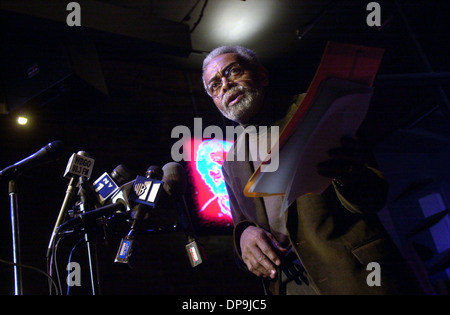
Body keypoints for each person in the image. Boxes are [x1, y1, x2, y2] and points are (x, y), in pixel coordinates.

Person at [201, 45, 423, 295]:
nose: (225, 85)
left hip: (355, 277)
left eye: (233, 71)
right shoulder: (230, 163)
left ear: (262, 75)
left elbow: (374, 195)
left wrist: (348, 174)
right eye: (214, 86)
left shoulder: (316, 108)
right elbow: (242, 227)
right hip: (290, 286)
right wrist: (243, 236)